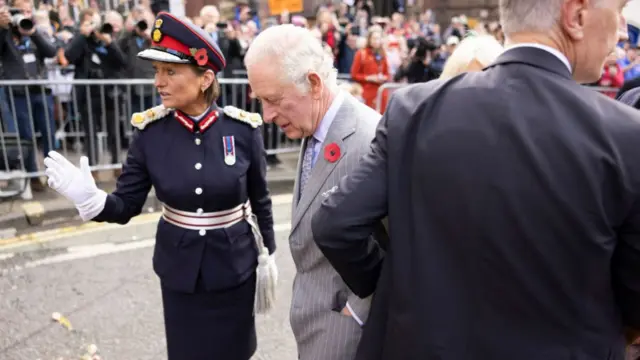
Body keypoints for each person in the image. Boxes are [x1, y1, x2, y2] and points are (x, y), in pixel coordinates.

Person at [311, 0, 640, 358]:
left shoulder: (413, 110)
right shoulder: (624, 135)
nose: (622, 30)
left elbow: (336, 223)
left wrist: (399, 288)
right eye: (618, 11)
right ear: (575, 16)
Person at [43, 12, 277, 360]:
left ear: (204, 78)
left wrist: (267, 255)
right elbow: (126, 205)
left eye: (170, 72)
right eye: (156, 72)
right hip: (179, 271)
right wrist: (92, 200)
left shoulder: (242, 130)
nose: (159, 82)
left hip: (235, 269)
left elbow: (261, 199)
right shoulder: (150, 134)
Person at [244, 24, 387, 360]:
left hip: (347, 337)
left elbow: (401, 245)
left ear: (313, 83)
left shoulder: (370, 137)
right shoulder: (313, 127)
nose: (266, 116)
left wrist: (357, 312)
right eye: (261, 101)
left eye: (273, 100)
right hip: (317, 328)